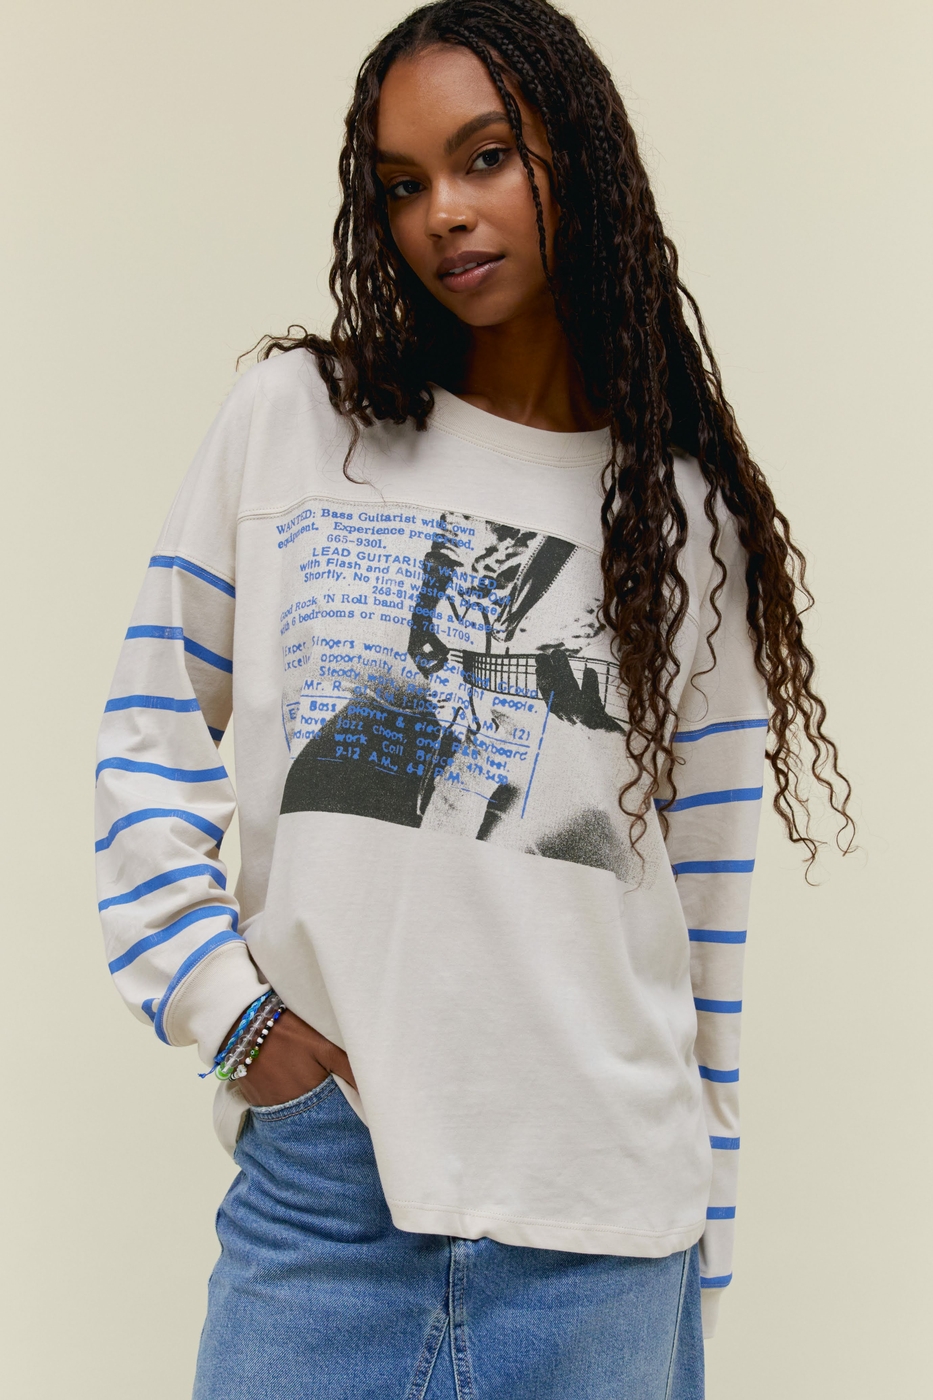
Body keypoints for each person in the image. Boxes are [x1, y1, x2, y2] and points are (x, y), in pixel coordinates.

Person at [94, 2, 853, 1396]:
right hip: (327, 1206)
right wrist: (230, 1016)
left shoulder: (684, 521)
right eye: (402, 184)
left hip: (605, 1233)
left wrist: (705, 1264)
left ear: (580, 162)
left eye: (485, 157)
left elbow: (707, 921)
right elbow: (145, 739)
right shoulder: (297, 425)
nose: (442, 211)